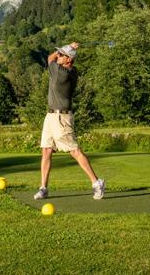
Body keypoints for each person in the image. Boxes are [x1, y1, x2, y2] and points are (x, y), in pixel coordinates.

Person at [34, 42, 105, 201]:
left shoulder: (61, 73)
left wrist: (67, 47)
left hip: (61, 118)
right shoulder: (72, 70)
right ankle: (43, 188)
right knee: (46, 151)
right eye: (59, 54)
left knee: (74, 151)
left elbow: (49, 58)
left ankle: (97, 182)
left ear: (68, 60)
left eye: (61, 55)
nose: (58, 56)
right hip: (51, 116)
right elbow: (54, 58)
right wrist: (68, 49)